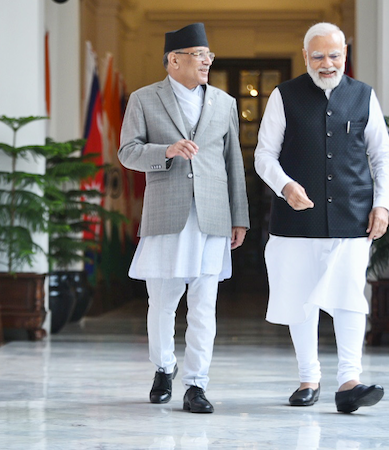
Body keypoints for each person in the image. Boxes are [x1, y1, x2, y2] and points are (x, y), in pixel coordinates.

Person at [254, 22, 389, 413]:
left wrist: (382, 204)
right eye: (318, 56)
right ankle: (308, 378)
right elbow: (264, 155)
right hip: (295, 222)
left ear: (345, 55)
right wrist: (285, 185)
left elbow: (382, 156)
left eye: (334, 55)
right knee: (301, 300)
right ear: (306, 57)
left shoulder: (364, 96)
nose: (327, 63)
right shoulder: (284, 96)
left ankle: (350, 381)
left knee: (350, 299)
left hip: (352, 218)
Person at [118, 22, 250, 414]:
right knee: (161, 302)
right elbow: (127, 152)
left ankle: (196, 384)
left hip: (212, 216)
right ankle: (163, 368)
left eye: (209, 56)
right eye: (198, 55)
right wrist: (167, 151)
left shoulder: (224, 103)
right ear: (173, 60)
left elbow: (234, 163)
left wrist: (238, 217)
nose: (207, 61)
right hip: (165, 215)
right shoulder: (144, 99)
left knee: (204, 305)